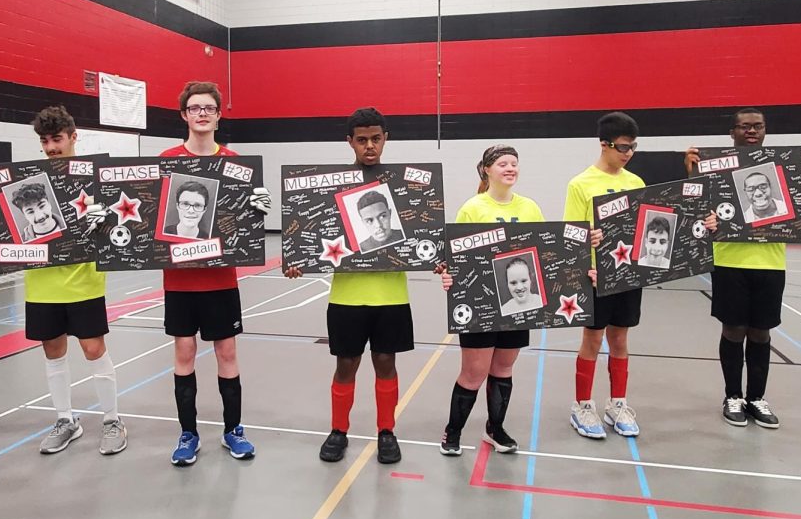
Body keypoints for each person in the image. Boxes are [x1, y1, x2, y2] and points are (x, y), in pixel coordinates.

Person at [686, 108, 801, 429]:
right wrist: (692, 170)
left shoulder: (783, 168)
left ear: (765, 131)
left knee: (761, 332)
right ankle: (733, 396)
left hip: (771, 263)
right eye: (744, 126)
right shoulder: (715, 168)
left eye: (757, 126)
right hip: (728, 261)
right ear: (732, 132)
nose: (751, 131)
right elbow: (694, 201)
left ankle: (756, 398)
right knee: (733, 329)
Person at [437, 144, 595, 456]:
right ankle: (452, 431)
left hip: (519, 305)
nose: (510, 168)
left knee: (504, 368)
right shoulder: (473, 208)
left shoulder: (530, 208)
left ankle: (494, 429)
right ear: (487, 170)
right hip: (482, 304)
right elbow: (457, 258)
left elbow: (546, 255)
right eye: (503, 164)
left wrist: (581, 268)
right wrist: (449, 276)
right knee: (474, 372)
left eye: (514, 163)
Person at [286, 108, 410, 465]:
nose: (369, 146)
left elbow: (422, 234)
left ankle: (386, 431)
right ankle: (339, 429)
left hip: (391, 294)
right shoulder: (331, 186)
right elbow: (310, 233)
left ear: (385, 138)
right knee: (346, 363)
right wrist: (298, 258)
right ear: (349, 142)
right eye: (361, 139)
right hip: (347, 295)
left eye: (376, 138)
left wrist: (432, 253)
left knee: (386, 362)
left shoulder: (402, 187)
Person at [163, 82, 270, 467]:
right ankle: (188, 434)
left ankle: (232, 431)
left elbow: (243, 224)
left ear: (219, 115)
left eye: (209, 107)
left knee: (227, 353)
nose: (202, 113)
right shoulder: (167, 161)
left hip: (221, 280)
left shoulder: (236, 164)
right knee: (184, 352)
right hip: (179, 282)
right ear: (185, 115)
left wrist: (259, 208)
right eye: (195, 108)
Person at [28, 105, 126, 456]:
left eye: (57, 139)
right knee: (53, 352)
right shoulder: (28, 182)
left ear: (73, 137)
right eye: (45, 141)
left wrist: (107, 219)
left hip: (84, 282)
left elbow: (120, 228)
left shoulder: (95, 178)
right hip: (41, 283)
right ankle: (66, 420)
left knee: (93, 349)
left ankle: (113, 420)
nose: (52, 147)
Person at [564, 112, 648, 440]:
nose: (628, 153)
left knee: (621, 339)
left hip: (627, 274)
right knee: (593, 339)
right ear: (604, 144)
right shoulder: (580, 184)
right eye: (623, 147)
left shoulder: (636, 183)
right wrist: (588, 239)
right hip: (596, 276)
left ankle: (617, 403)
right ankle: (583, 405)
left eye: (632, 148)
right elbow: (571, 234)